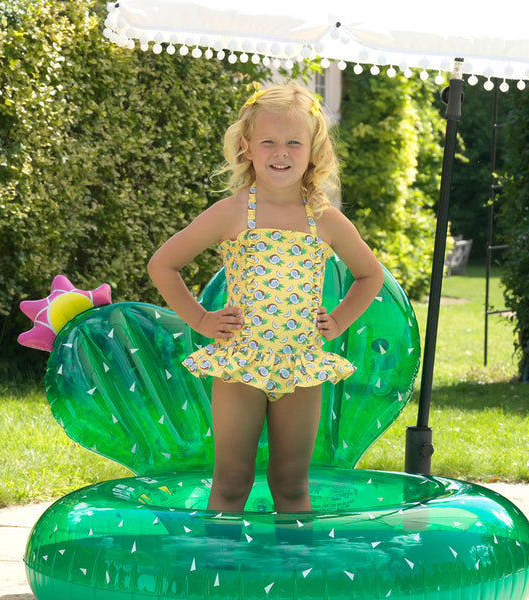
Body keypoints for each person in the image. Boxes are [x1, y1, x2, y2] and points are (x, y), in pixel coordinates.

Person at [148, 81, 383, 514]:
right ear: (246, 147)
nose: (281, 152)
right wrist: (201, 320)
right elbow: (163, 264)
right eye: (269, 141)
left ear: (313, 150)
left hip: (300, 363)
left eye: (294, 142)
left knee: (292, 483)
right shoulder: (232, 211)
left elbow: (370, 275)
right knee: (231, 481)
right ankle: (219, 556)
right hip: (241, 363)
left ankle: (296, 557)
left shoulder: (324, 219)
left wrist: (339, 320)